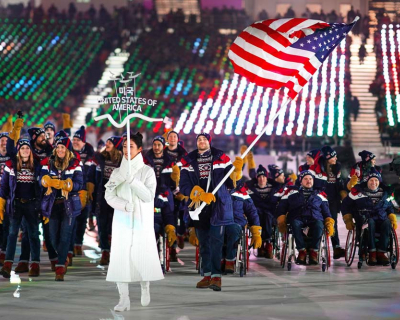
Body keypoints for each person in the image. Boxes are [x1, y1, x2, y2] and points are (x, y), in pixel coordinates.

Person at [180, 133, 259, 291]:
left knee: (216, 243)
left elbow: (230, 183)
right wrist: (199, 194)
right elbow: (184, 186)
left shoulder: (222, 158)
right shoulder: (188, 162)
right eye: (198, 140)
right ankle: (207, 275)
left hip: (219, 207)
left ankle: (216, 277)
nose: (201, 141)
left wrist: (236, 171)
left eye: (204, 139)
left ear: (209, 142)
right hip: (199, 207)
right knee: (204, 244)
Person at [105, 132, 163, 310]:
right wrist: (122, 205)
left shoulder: (147, 171)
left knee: (142, 256)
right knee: (121, 258)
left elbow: (148, 196)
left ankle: (145, 287)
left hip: (141, 222)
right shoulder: (116, 172)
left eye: (130, 146)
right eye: (124, 146)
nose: (126, 149)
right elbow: (109, 195)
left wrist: (133, 181)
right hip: (122, 221)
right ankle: (124, 299)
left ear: (139, 149)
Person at [40, 137, 83, 281]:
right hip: (53, 205)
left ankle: (60, 267)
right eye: (58, 147)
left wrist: (68, 185)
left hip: (69, 205)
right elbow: (41, 180)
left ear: (68, 150)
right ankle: (62, 257)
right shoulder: (48, 162)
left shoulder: (75, 164)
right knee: (52, 237)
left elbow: (79, 184)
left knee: (65, 237)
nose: (59, 150)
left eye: (63, 147)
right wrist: (47, 181)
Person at [0, 139, 41, 278]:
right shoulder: (10, 165)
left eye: (27, 148)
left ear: (30, 151)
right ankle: (7, 264)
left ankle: (35, 264)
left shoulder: (37, 165)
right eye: (22, 148)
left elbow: (41, 186)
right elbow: (4, 186)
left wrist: (41, 205)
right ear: (18, 150)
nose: (25, 150)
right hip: (15, 204)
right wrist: (2, 202)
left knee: (33, 234)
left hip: (31, 204)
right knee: (12, 234)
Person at [276, 171, 335, 265]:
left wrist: (329, 221)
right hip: (297, 217)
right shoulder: (290, 193)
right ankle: (302, 250)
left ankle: (314, 251)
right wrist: (281, 218)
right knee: (294, 224)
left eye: (310, 179)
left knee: (319, 225)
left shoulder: (320, 194)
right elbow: (282, 207)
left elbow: (326, 211)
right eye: (306, 179)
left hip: (314, 217)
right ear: (300, 181)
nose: (309, 181)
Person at [341, 169, 396, 265]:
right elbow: (345, 205)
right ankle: (372, 252)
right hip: (364, 219)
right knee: (370, 222)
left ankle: (381, 252)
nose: (374, 183)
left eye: (376, 180)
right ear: (367, 181)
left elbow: (389, 207)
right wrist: (348, 219)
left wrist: (392, 217)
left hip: (381, 218)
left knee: (387, 223)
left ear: (379, 181)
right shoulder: (356, 192)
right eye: (371, 180)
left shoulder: (385, 193)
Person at [94, 136, 123, 265]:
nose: (107, 143)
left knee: (115, 224)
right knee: (102, 224)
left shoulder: (122, 160)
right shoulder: (101, 158)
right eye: (107, 142)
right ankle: (105, 251)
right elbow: (96, 178)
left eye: (110, 142)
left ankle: (116, 252)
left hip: (117, 196)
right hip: (103, 195)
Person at [246, 164, 286, 258]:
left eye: (264, 176)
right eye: (259, 176)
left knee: (267, 217)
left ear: (267, 178)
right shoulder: (251, 188)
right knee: (258, 216)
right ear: (257, 178)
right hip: (256, 212)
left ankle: (267, 242)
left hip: (270, 212)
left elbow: (282, 200)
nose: (262, 179)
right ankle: (261, 243)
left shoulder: (274, 188)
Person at [224, 180, 260, 273]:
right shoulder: (217, 187)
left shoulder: (242, 192)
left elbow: (252, 212)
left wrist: (256, 230)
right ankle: (218, 259)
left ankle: (230, 260)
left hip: (236, 222)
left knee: (232, 229)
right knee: (216, 231)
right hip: (219, 220)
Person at [71, 126, 96, 257]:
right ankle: (69, 247)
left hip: (85, 190)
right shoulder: (69, 151)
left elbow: (91, 173)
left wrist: (89, 189)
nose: (75, 141)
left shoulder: (90, 153)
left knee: (82, 220)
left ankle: (77, 244)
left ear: (84, 142)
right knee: (71, 220)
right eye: (74, 139)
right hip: (71, 190)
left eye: (78, 140)